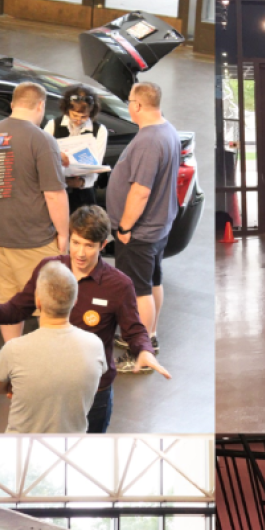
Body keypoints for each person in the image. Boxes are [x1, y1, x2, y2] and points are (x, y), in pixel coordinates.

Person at [0, 206, 168, 433]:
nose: (80, 253)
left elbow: (134, 329)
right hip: (49, 383)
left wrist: (144, 350)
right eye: (76, 242)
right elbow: (17, 308)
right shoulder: (49, 269)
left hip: (94, 389)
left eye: (89, 246)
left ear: (103, 246)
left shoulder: (119, 285)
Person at [0, 81, 70, 344]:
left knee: (9, 302)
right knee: (49, 304)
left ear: (13, 104)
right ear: (40, 105)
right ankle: (47, 365)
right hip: (34, 239)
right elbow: (54, 194)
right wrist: (63, 234)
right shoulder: (41, 139)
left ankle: (13, 357)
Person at [106, 81, 181, 360]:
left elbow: (140, 192)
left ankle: (141, 352)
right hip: (158, 227)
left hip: (140, 231)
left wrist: (124, 227)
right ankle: (149, 334)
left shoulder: (149, 140)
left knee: (138, 292)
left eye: (128, 101)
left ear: (137, 105)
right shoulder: (167, 129)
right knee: (151, 284)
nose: (128, 106)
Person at [0, 261, 105, 433]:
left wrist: (20, 385)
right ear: (75, 301)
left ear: (38, 301)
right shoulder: (95, 345)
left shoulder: (14, 349)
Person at [45, 83, 108, 210]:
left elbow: (96, 165)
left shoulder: (99, 130)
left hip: (83, 194)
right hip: (55, 190)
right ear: (67, 110)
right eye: (74, 116)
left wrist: (81, 183)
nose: (79, 121)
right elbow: (43, 155)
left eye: (84, 117)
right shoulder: (53, 125)